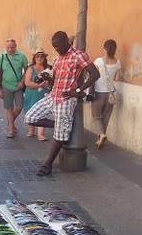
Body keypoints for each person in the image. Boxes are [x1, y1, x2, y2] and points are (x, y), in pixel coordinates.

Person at [25, 31, 100, 176]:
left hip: (66, 99)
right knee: (30, 117)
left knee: (60, 135)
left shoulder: (78, 55)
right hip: (53, 96)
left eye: (59, 46)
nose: (57, 49)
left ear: (67, 42)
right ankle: (59, 125)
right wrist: (46, 79)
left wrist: (77, 90)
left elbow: (95, 74)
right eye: (55, 47)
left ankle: (48, 164)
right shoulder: (58, 58)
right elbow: (55, 79)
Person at [0, 38, 28, 137]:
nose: (10, 49)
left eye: (12, 47)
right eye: (8, 47)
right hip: (6, 86)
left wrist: (22, 81)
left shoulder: (21, 56)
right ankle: (11, 129)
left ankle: (10, 123)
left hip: (18, 86)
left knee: (19, 106)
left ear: (16, 46)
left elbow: (27, 70)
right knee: (9, 108)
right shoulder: (2, 57)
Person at [92, 39, 122, 148]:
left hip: (98, 92)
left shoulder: (99, 61)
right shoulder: (117, 62)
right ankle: (100, 138)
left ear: (104, 48)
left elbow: (92, 75)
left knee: (96, 116)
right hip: (110, 94)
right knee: (106, 117)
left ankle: (102, 135)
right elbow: (117, 78)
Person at [23, 49, 52, 141]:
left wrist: (47, 84)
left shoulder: (48, 68)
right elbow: (27, 82)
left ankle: (40, 134)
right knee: (31, 110)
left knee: (41, 112)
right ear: (34, 58)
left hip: (43, 93)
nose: (39, 58)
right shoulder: (30, 68)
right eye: (37, 57)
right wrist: (39, 85)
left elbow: (51, 81)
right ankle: (31, 130)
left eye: (41, 57)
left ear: (44, 58)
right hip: (31, 93)